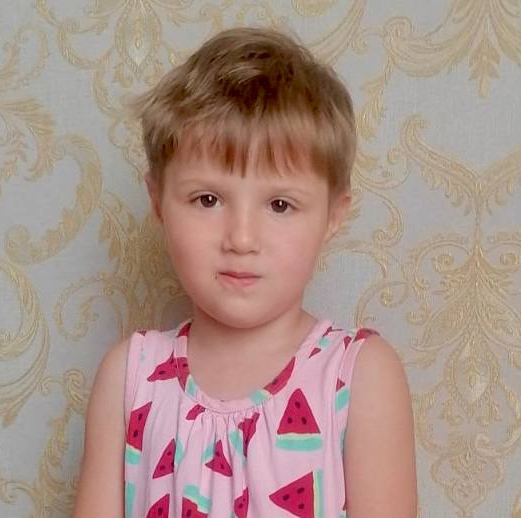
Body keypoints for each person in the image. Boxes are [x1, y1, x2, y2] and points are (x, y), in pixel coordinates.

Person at [73, 27, 417, 518]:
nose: (241, 238)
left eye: (280, 205)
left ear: (333, 215)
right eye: (207, 199)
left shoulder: (360, 378)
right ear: (158, 201)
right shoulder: (129, 377)